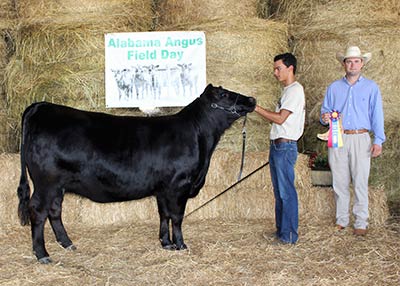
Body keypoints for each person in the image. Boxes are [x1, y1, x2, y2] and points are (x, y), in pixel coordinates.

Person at [320, 46, 385, 236]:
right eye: (349, 61)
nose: (353, 64)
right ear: (344, 64)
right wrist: (324, 117)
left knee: (360, 180)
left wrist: (378, 140)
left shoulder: (372, 87)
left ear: (362, 63)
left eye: (356, 61)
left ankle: (361, 221)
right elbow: (325, 110)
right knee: (339, 180)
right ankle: (342, 219)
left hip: (361, 137)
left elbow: (377, 115)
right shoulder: (333, 87)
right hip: (338, 136)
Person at [255, 53, 305, 244]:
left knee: (286, 192)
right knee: (280, 192)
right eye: (275, 69)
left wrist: (257, 108)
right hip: (278, 145)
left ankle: (289, 235)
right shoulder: (287, 91)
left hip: (285, 146)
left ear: (290, 68)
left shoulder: (294, 91)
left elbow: (280, 118)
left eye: (278, 68)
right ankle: (282, 231)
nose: (275, 73)